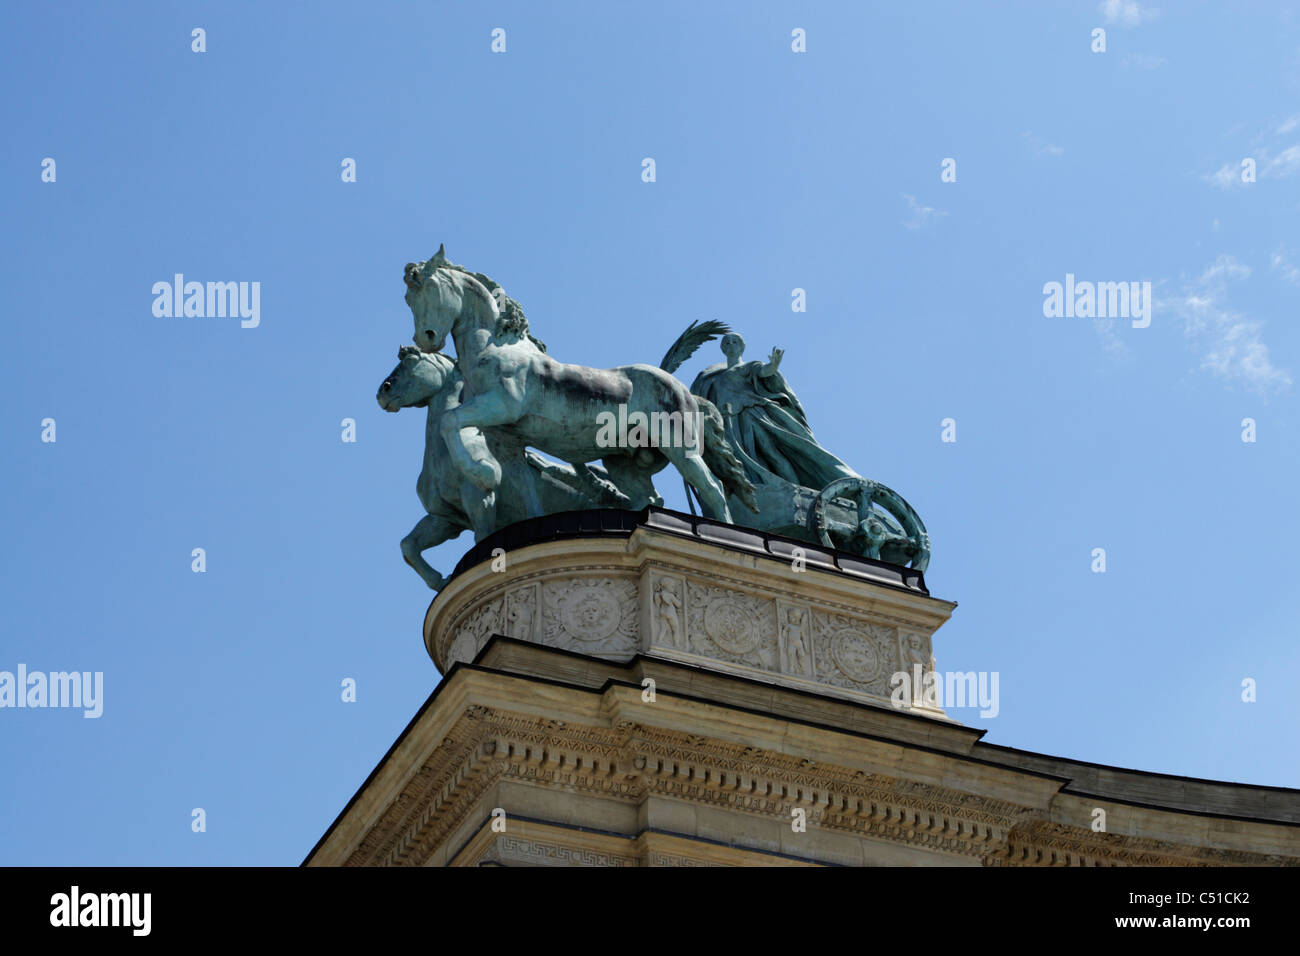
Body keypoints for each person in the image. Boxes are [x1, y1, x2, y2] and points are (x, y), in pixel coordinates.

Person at [690, 333, 859, 490]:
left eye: (735, 342)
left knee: (770, 451)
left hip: (751, 415)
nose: (730, 345)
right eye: (726, 343)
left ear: (742, 347)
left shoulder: (749, 366)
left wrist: (774, 364)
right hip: (730, 423)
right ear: (723, 349)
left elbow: (764, 371)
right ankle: (758, 489)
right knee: (743, 462)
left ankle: (796, 488)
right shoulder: (714, 376)